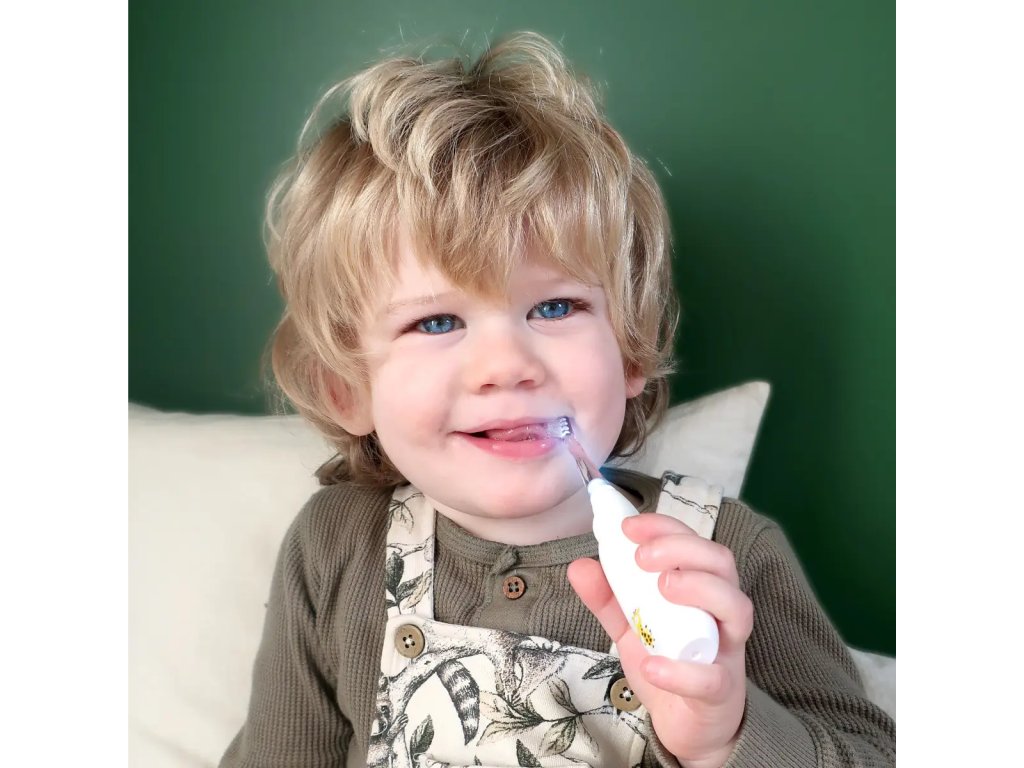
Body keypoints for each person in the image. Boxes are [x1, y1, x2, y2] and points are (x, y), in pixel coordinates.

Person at [221, 31, 895, 768]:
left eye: (554, 308)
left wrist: (726, 735)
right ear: (346, 388)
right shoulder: (336, 548)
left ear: (629, 350)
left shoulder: (724, 554)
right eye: (436, 321)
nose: (507, 366)